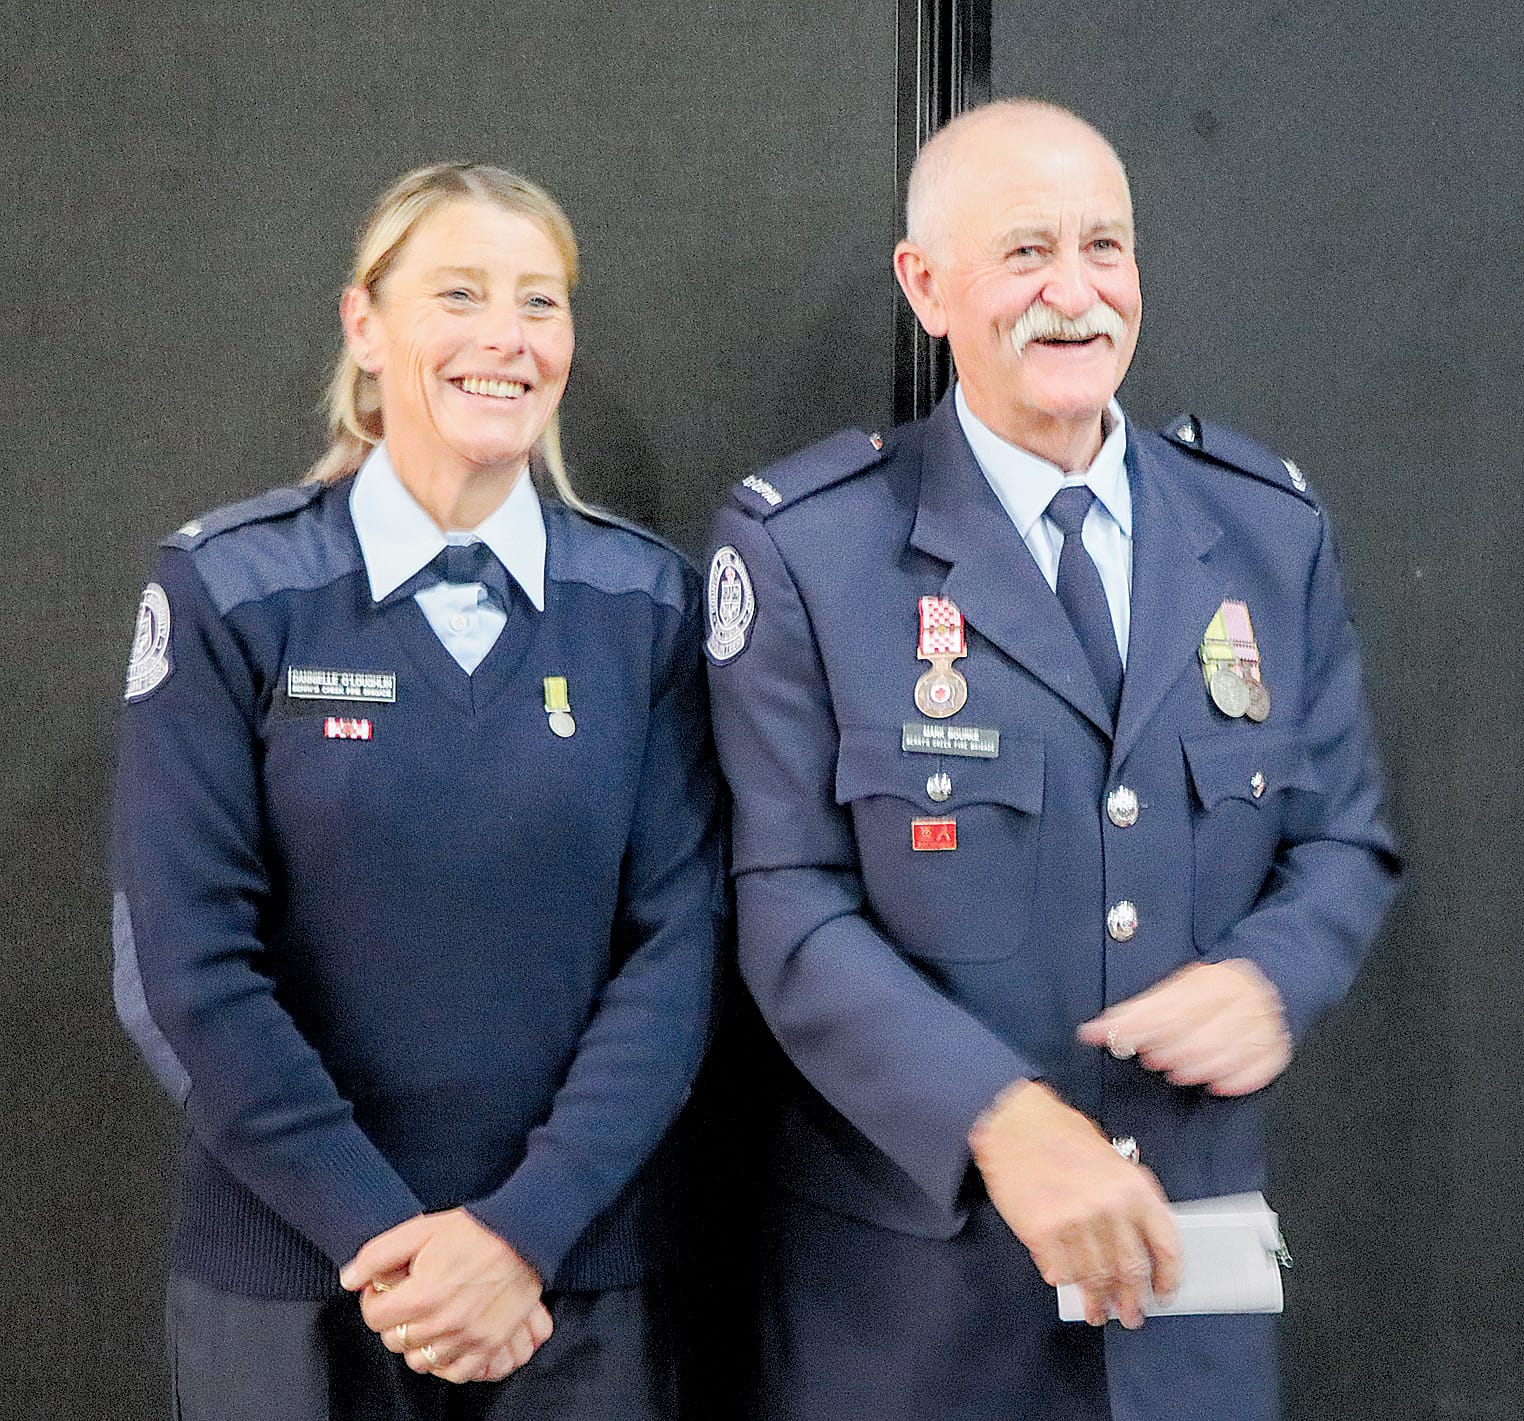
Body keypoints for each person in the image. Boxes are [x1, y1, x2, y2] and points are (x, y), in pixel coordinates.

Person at [704, 99, 1399, 1420]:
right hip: (918, 1315)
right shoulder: (808, 547)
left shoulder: (1264, 528)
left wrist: (1273, 975)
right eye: (1026, 253)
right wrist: (998, 1115)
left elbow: (1343, 837)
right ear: (927, 284)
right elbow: (784, 906)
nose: (1075, 295)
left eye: (1106, 248)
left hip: (1186, 1291)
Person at [112, 161, 721, 1419]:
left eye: (540, 301)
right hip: (295, 1297)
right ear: (365, 325)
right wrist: (400, 1248)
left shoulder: (645, 607)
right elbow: (188, 970)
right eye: (461, 292)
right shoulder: (231, 590)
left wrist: (519, 1236)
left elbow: (681, 952)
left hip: (573, 1293)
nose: (507, 336)